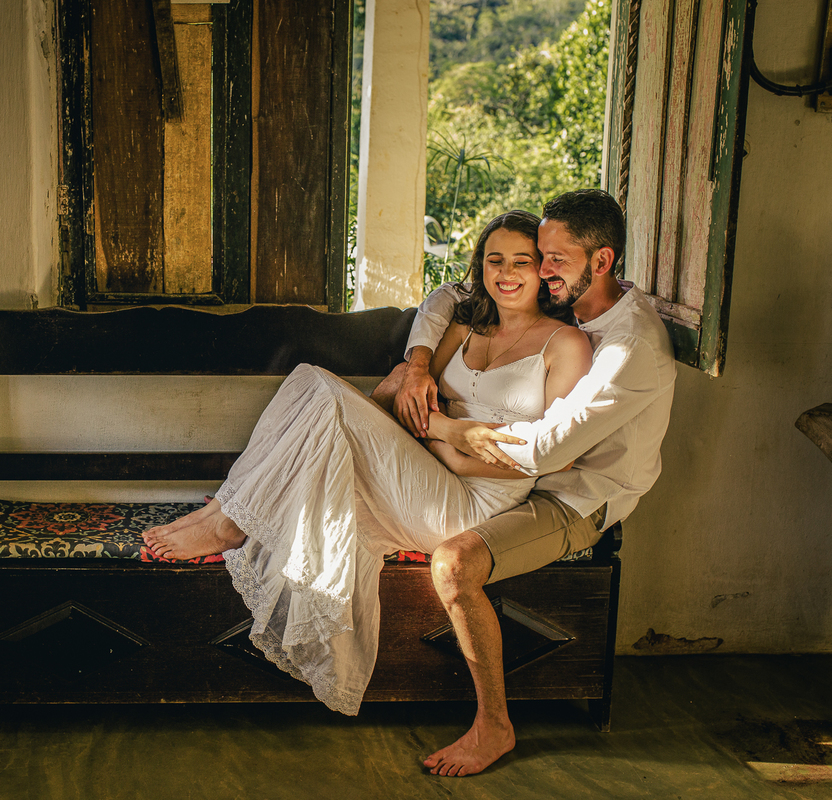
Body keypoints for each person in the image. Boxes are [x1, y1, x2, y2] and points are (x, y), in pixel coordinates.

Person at [142, 210, 593, 717]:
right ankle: (228, 511)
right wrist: (422, 392)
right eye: (495, 261)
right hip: (430, 469)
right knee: (310, 381)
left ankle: (228, 520)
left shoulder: (566, 345)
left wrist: (447, 444)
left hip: (476, 506)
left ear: (544, 272)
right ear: (480, 267)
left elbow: (547, 459)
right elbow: (407, 387)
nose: (507, 274)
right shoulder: (466, 327)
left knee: (322, 392)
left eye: (522, 262)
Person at [372, 189, 676, 777]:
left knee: (453, 565)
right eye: (541, 256)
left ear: (603, 261)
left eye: (553, 259)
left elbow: (545, 455)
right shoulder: (574, 306)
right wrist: (414, 368)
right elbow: (447, 296)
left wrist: (438, 433)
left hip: (575, 497)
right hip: (508, 475)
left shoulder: (628, 348)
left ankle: (494, 726)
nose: (540, 269)